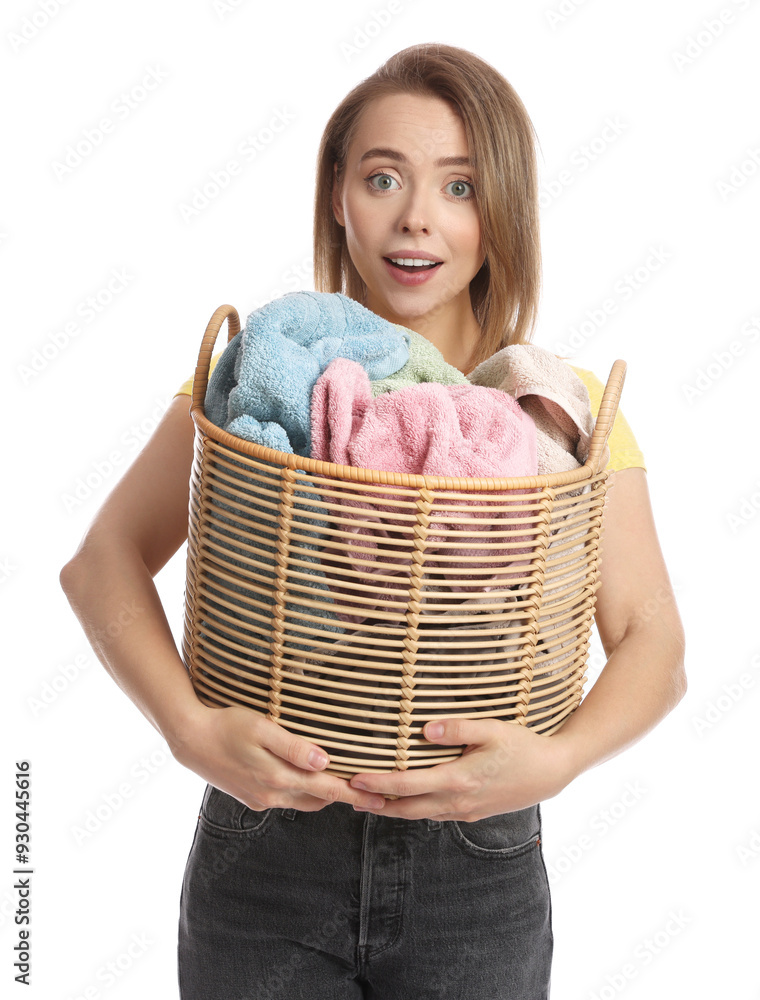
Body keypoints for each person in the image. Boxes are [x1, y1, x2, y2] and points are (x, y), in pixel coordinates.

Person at [60, 43, 686, 1000]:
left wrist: (555, 762)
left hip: (478, 864)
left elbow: (653, 643)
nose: (417, 217)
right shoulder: (259, 379)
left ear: (502, 210)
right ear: (340, 199)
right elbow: (101, 561)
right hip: (266, 848)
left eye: (462, 186)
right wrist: (186, 727)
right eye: (382, 177)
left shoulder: (562, 412)